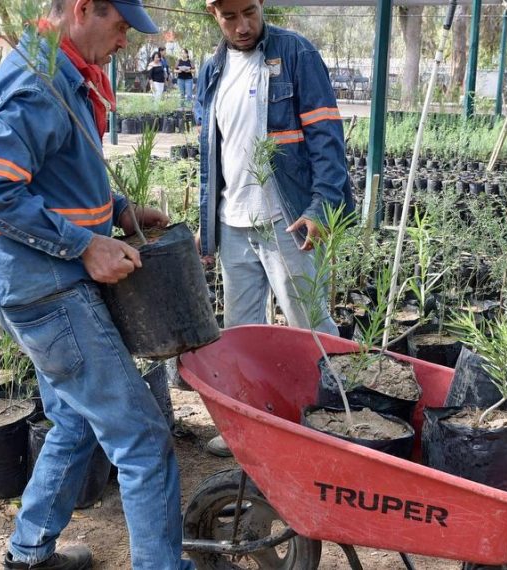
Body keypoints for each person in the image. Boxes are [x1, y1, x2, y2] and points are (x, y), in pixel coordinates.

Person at [0, 1, 191, 569]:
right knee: (142, 440)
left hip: (32, 284)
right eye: (121, 26)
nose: (125, 41)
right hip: (46, 291)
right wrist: (85, 246)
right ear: (83, 8)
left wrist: (120, 211)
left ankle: (29, 553)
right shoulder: (38, 86)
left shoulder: (55, 67)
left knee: (77, 418)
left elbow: (49, 177)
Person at [195, 0, 355, 457]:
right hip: (235, 225)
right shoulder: (212, 70)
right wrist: (209, 227)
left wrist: (322, 208)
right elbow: (212, 158)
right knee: (240, 335)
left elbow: (327, 140)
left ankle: (342, 419)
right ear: (213, 13)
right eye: (231, 17)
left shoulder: (297, 54)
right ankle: (252, 431)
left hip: (289, 222)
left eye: (250, 12)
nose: (243, 26)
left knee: (309, 322)